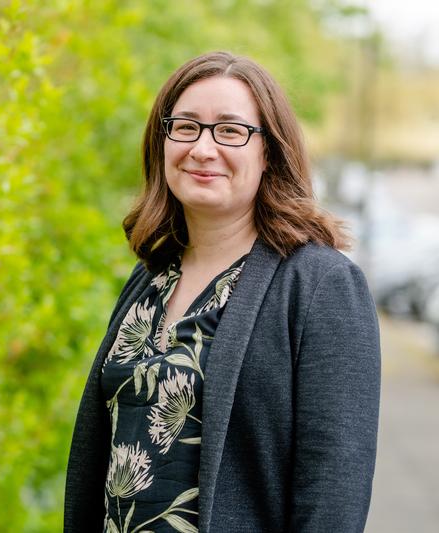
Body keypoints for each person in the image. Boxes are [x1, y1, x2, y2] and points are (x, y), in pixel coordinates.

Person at [64, 51, 381, 533]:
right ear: (162, 141)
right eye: (185, 126)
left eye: (230, 130)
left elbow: (333, 496)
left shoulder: (320, 286)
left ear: (268, 151)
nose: (203, 148)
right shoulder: (149, 279)